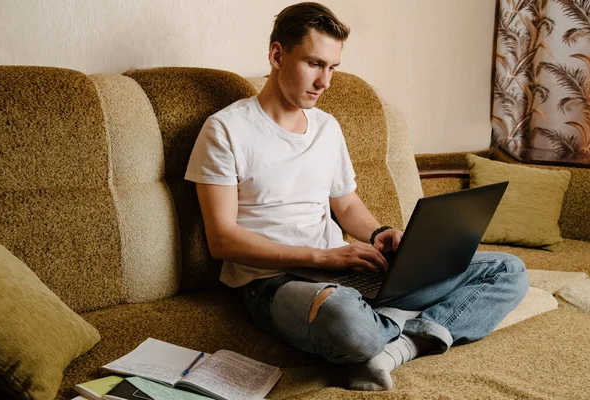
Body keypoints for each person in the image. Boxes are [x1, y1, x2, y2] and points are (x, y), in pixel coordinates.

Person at [185, 2, 528, 391]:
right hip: (273, 284)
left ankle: (394, 345)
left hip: (344, 273)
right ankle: (402, 326)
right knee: (345, 317)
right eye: (315, 64)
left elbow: (346, 205)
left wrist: (377, 232)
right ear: (277, 54)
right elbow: (222, 239)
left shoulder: (326, 127)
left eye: (332, 68)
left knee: (508, 271)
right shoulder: (226, 130)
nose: (325, 82)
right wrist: (325, 256)